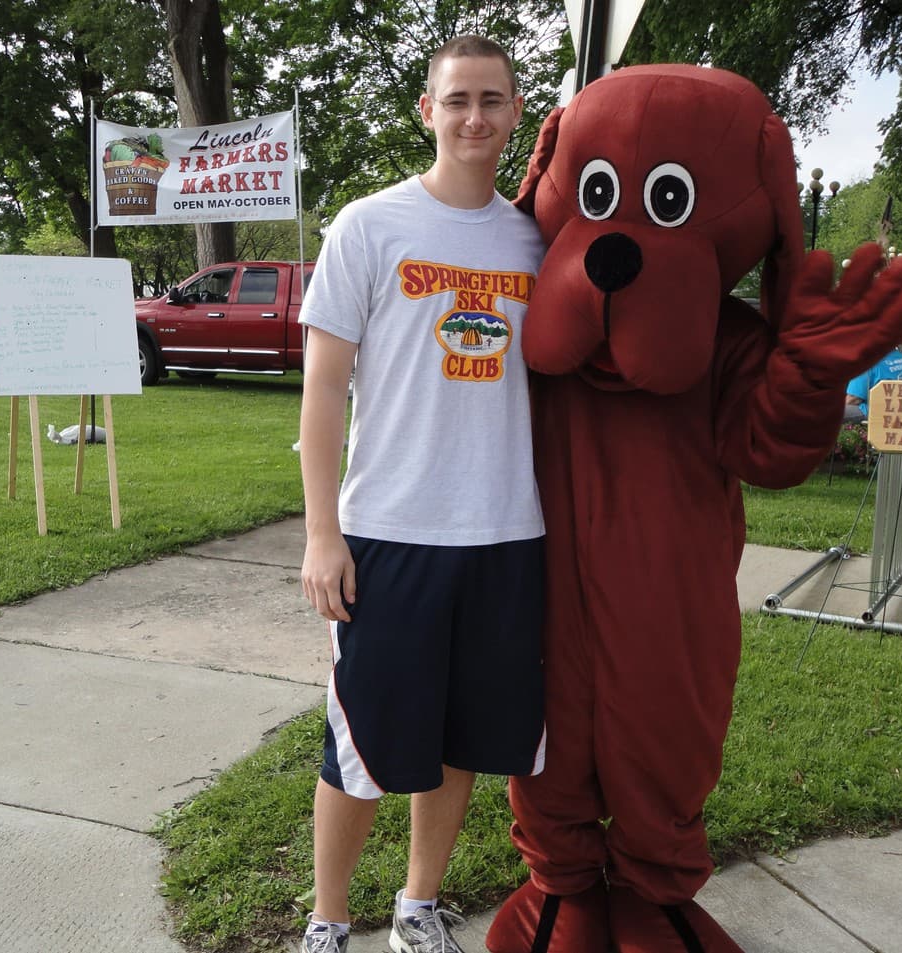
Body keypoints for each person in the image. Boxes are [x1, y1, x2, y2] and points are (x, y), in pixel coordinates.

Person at [296, 35, 547, 953]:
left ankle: (416, 906)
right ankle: (328, 918)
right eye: (457, 101)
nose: (474, 117)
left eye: (492, 99)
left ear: (516, 110)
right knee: (360, 746)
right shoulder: (369, 226)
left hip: (506, 532)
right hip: (389, 531)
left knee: (459, 736)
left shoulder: (534, 238)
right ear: (427, 111)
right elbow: (324, 389)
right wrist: (324, 533)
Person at [844, 346, 902, 420]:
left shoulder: (867, 360)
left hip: (877, 410)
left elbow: (853, 399)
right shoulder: (898, 355)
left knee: (832, 411)